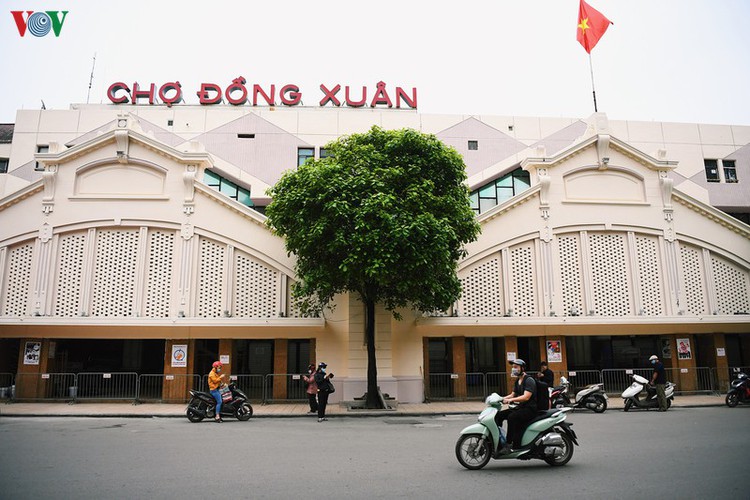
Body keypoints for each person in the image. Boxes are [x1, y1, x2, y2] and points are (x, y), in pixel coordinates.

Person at [494, 359, 537, 454]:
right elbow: (513, 394)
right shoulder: (518, 380)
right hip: (522, 407)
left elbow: (526, 397)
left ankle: (508, 445)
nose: (514, 369)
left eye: (516, 367)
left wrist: (510, 400)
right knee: (499, 415)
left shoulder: (529, 380)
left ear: (522, 368)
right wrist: (500, 398)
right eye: (513, 367)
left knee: (512, 417)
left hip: (530, 409)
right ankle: (499, 439)